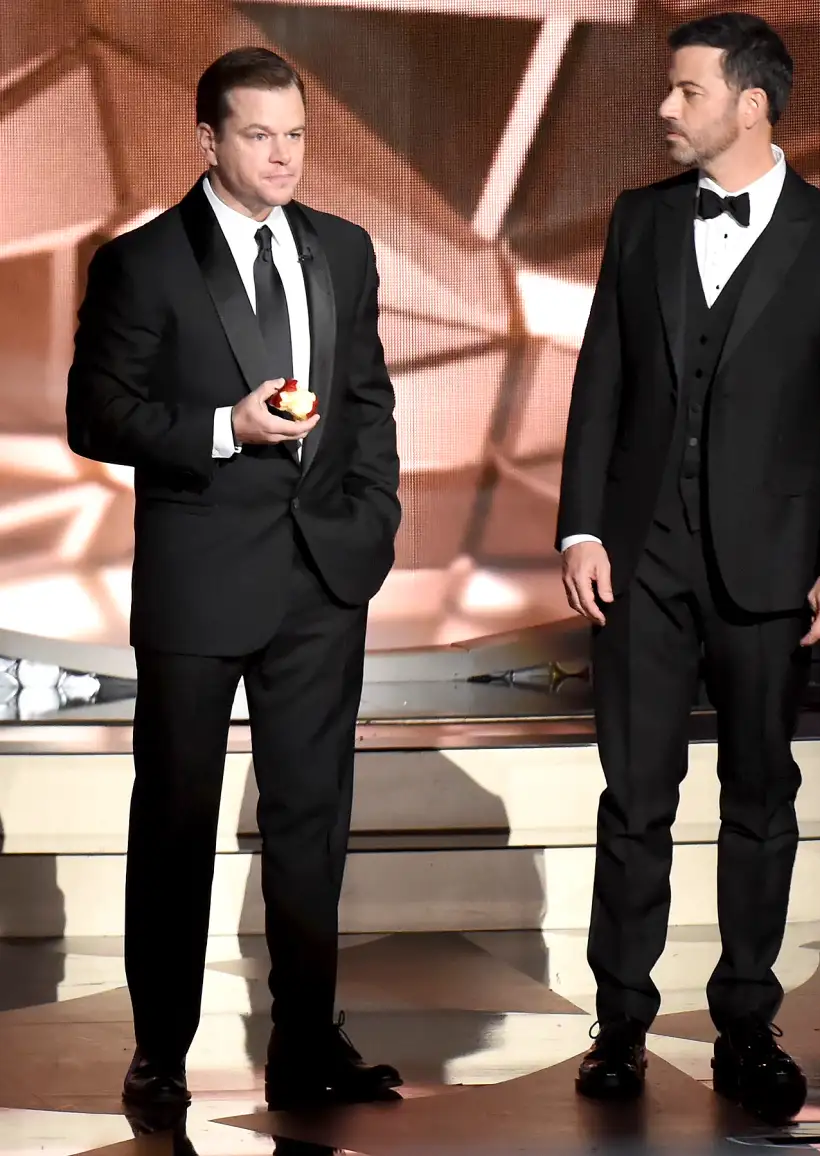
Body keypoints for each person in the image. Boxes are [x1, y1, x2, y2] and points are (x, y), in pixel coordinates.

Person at [557, 12, 820, 1122]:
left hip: (775, 567)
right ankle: (619, 1026)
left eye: (685, 91)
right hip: (639, 558)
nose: (664, 107)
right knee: (633, 798)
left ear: (750, 104)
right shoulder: (638, 220)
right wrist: (580, 528)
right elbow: (599, 378)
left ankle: (747, 1022)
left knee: (758, 797)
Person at [66, 47, 402, 1113]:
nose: (282, 154)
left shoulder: (344, 252)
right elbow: (96, 414)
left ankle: (305, 1039)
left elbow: (370, 402)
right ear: (208, 140)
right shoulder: (143, 262)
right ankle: (159, 1050)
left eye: (295, 134)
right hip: (199, 582)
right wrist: (223, 426)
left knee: (312, 822)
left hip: (320, 584)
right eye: (258, 134)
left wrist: (373, 525)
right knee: (175, 819)